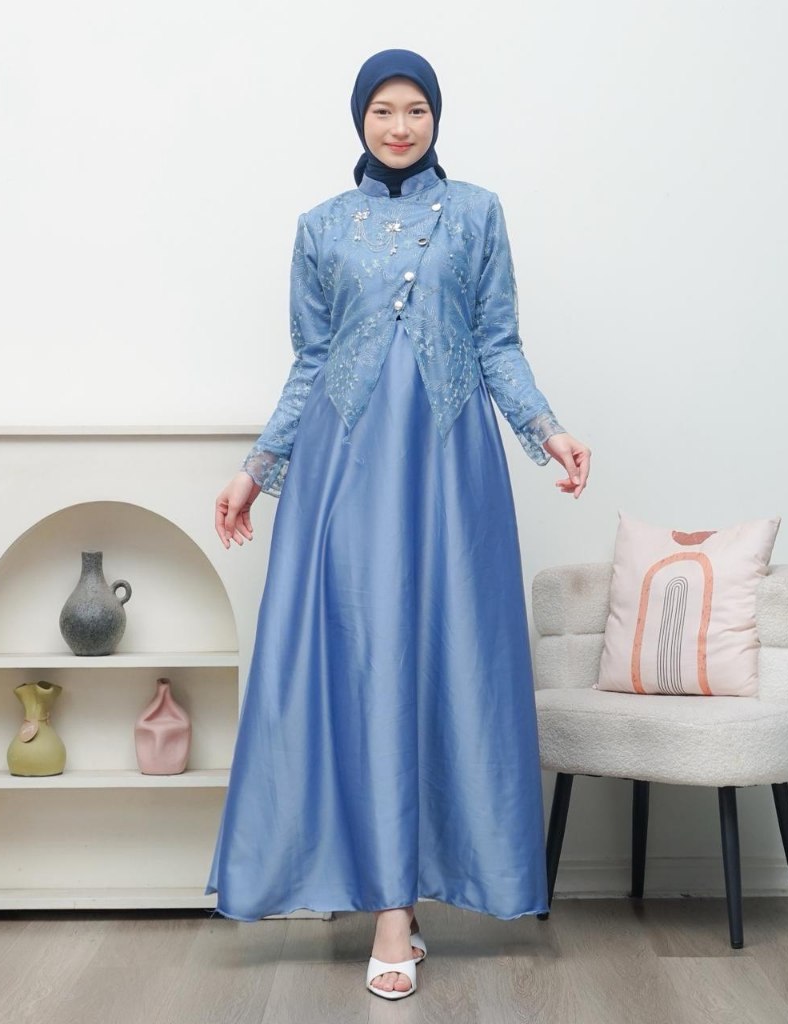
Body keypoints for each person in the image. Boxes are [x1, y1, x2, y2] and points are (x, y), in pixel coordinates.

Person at [207, 48, 591, 1000]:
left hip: (450, 468)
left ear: (436, 119)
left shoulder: (478, 214)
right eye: (383, 109)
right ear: (360, 119)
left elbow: (497, 342)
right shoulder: (319, 227)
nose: (400, 126)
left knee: (443, 661)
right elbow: (311, 361)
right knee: (364, 664)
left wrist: (547, 430)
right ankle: (387, 908)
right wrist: (256, 470)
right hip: (343, 472)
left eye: (416, 108)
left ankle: (402, 908)